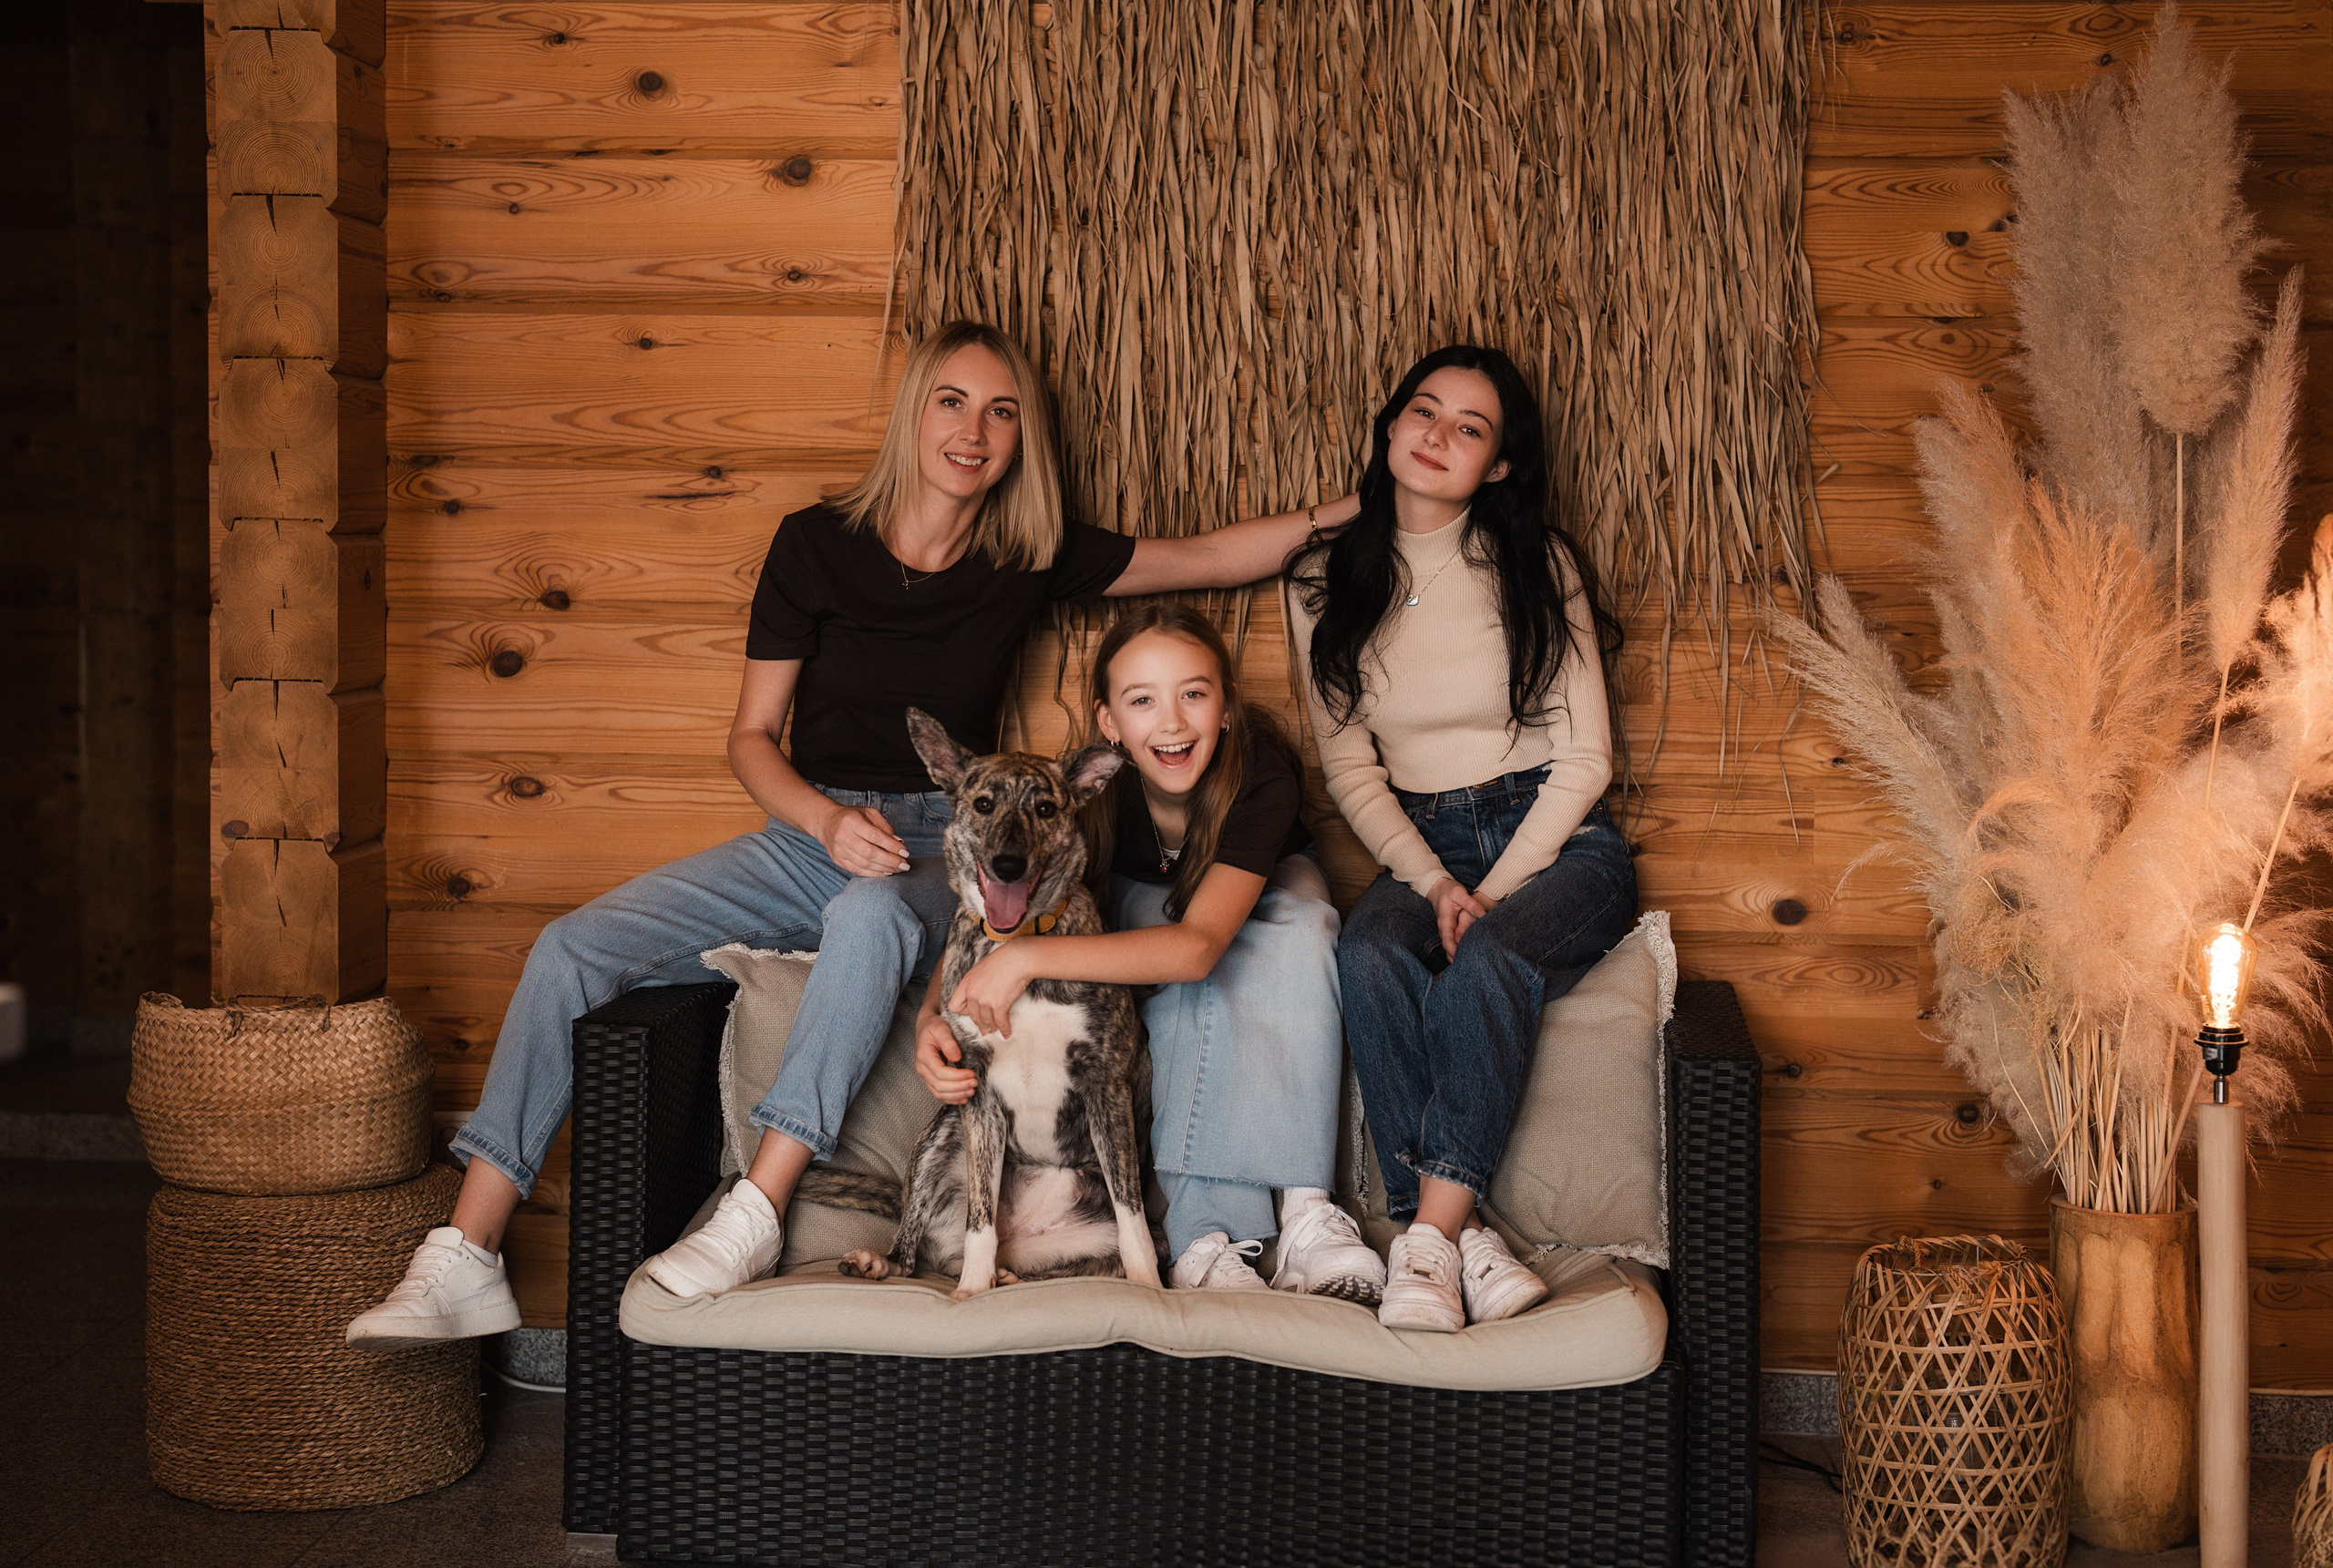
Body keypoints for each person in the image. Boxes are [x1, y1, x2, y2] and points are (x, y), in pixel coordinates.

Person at [347, 322, 1358, 1346]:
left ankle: (757, 1207)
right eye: (953, 402)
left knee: (874, 915)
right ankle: (466, 1253)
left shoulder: (1023, 554)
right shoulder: (812, 545)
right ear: (913, 413)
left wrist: (1351, 512)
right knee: (570, 946)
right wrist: (825, 818)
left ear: (1021, 440)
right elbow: (748, 739)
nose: (976, 430)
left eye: (1002, 412)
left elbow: (1210, 555)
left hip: (945, 843)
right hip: (808, 822)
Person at [1285, 344, 1635, 1334]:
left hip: (1559, 841)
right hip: (1423, 840)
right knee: (1366, 947)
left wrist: (1492, 891)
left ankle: (1420, 1239)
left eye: (1469, 428)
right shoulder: (1320, 578)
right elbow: (1350, 768)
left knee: (1488, 954)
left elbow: (1586, 758)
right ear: (1390, 425)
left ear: (1500, 467)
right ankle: (1458, 1238)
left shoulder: (1536, 561)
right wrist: (1437, 881)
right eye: (1423, 412)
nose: (1437, 436)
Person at [924, 605, 1385, 1299]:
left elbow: (1199, 943)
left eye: (1193, 694)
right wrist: (934, 1013)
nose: (1171, 722)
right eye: (1142, 700)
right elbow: (983, 912)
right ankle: (1210, 1233)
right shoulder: (1088, 794)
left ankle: (1308, 1212)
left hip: (1259, 886)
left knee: (1301, 924)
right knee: (1156, 968)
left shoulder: (1260, 769)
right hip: (1149, 899)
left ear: (1226, 706)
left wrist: (1025, 959)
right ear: (1109, 723)